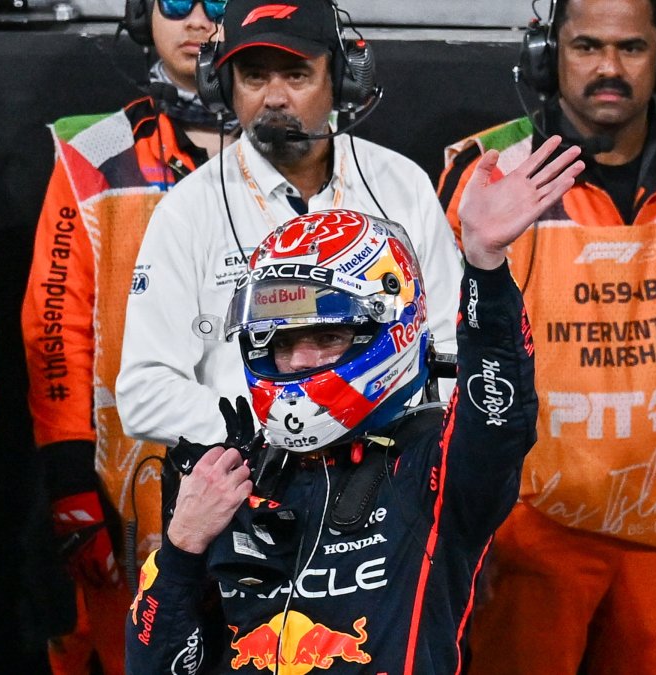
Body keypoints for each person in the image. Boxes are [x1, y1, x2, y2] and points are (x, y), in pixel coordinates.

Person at [125, 129, 585, 671]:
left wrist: (485, 264)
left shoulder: (435, 464)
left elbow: (500, 412)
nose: (298, 362)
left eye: (326, 338)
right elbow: (152, 667)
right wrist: (180, 550)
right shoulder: (224, 481)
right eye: (281, 342)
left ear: (388, 331)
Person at [437, 0, 656, 672]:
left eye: (632, 48)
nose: (609, 67)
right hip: (526, 534)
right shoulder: (490, 168)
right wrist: (456, 526)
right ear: (548, 54)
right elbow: (443, 357)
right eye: (586, 47)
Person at [115, 0, 464, 452]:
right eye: (255, 76)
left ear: (341, 81)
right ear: (225, 87)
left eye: (296, 75)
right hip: (249, 485)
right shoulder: (187, 210)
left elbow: (452, 345)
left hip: (392, 476)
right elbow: (144, 394)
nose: (274, 97)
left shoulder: (403, 186)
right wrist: (285, 429)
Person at [19, 0, 228, 672]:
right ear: (142, 16)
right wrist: (70, 481)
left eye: (220, 1)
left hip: (277, 486)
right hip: (128, 500)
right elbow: (55, 327)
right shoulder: (95, 156)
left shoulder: (317, 145)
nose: (197, 17)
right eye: (175, 1)